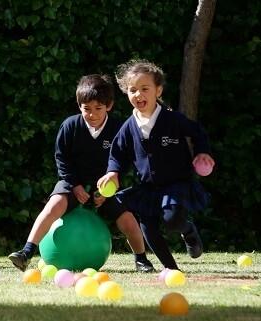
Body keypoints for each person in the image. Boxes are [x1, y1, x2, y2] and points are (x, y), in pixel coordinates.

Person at [9, 75, 155, 273]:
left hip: (106, 187)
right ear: (79, 106)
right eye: (86, 109)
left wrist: (108, 191)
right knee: (54, 205)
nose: (92, 114)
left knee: (128, 218)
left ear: (109, 106)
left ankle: (142, 260)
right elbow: (61, 159)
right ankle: (26, 252)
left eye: (98, 109)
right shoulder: (70, 126)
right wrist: (75, 185)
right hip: (72, 183)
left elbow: (126, 161)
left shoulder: (119, 129)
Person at [97, 59, 215, 271]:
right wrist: (113, 172)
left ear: (158, 91)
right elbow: (117, 154)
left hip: (176, 184)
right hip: (148, 188)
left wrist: (202, 153)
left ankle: (188, 230)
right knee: (148, 227)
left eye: (145, 89)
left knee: (171, 220)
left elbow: (197, 132)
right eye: (132, 90)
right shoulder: (127, 127)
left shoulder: (173, 119)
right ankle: (172, 270)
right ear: (126, 93)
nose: (138, 94)